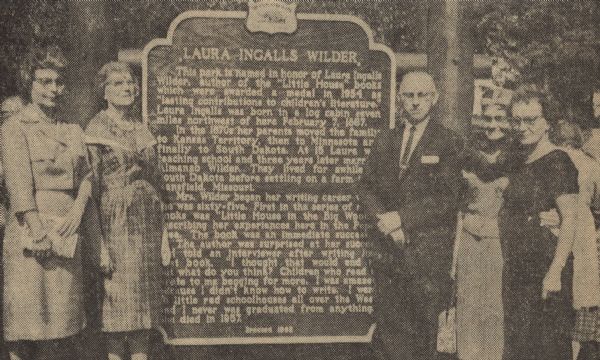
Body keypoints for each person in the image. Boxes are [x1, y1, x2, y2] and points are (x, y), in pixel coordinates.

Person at [358, 71, 463, 360]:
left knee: (424, 338)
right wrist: (387, 222)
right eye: (409, 95)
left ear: (435, 98)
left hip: (427, 259)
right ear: (399, 98)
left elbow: (447, 198)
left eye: (422, 96)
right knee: (390, 335)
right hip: (389, 255)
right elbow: (367, 187)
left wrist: (402, 219)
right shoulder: (385, 140)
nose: (415, 102)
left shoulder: (449, 142)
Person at [2, 46, 92, 359]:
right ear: (30, 84)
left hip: (66, 234)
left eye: (58, 82)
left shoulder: (72, 129)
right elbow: (18, 185)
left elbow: (87, 178)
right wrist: (38, 232)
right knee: (26, 324)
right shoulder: (15, 128)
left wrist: (78, 210)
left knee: (60, 324)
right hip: (30, 232)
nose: (53, 89)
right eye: (44, 82)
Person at [85, 61, 169, 360]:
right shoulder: (97, 128)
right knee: (117, 312)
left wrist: (164, 236)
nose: (127, 88)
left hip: (146, 227)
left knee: (142, 317)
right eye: (118, 83)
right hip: (114, 226)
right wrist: (99, 245)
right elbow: (90, 192)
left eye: (131, 82)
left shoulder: (142, 129)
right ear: (104, 91)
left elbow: (158, 185)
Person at [500, 85, 579, 360]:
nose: (522, 127)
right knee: (519, 347)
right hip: (518, 273)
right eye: (516, 120)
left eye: (530, 120)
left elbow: (569, 218)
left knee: (547, 348)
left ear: (547, 123)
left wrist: (555, 271)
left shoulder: (558, 161)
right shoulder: (519, 159)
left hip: (546, 271)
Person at [453, 104, 511, 360]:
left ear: (510, 121)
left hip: (501, 241)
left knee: (495, 308)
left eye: (499, 118)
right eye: (487, 118)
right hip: (468, 237)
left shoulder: (517, 158)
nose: (493, 124)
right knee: (467, 306)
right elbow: (457, 206)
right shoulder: (467, 155)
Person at [550, 120, 600, 360]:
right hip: (584, 239)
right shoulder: (591, 165)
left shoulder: (554, 161)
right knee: (581, 307)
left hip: (558, 235)